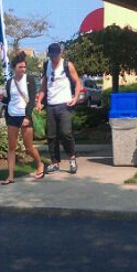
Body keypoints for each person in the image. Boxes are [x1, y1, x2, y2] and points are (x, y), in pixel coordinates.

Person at [0, 51, 44, 185]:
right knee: (11, 147)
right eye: (20, 67)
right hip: (12, 116)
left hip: (25, 116)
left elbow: (31, 101)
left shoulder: (29, 79)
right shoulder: (9, 82)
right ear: (14, 68)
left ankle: (40, 164)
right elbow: (10, 100)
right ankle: (10, 176)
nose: (23, 69)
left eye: (24, 67)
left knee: (28, 146)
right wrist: (2, 98)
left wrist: (27, 116)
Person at [36, 42, 81, 174]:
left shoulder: (67, 65)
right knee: (51, 136)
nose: (53, 58)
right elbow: (44, 85)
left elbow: (77, 82)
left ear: (60, 54)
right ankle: (55, 163)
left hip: (64, 104)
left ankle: (72, 158)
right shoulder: (46, 65)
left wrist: (75, 97)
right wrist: (39, 101)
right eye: (51, 56)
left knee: (66, 133)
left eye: (55, 55)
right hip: (51, 105)